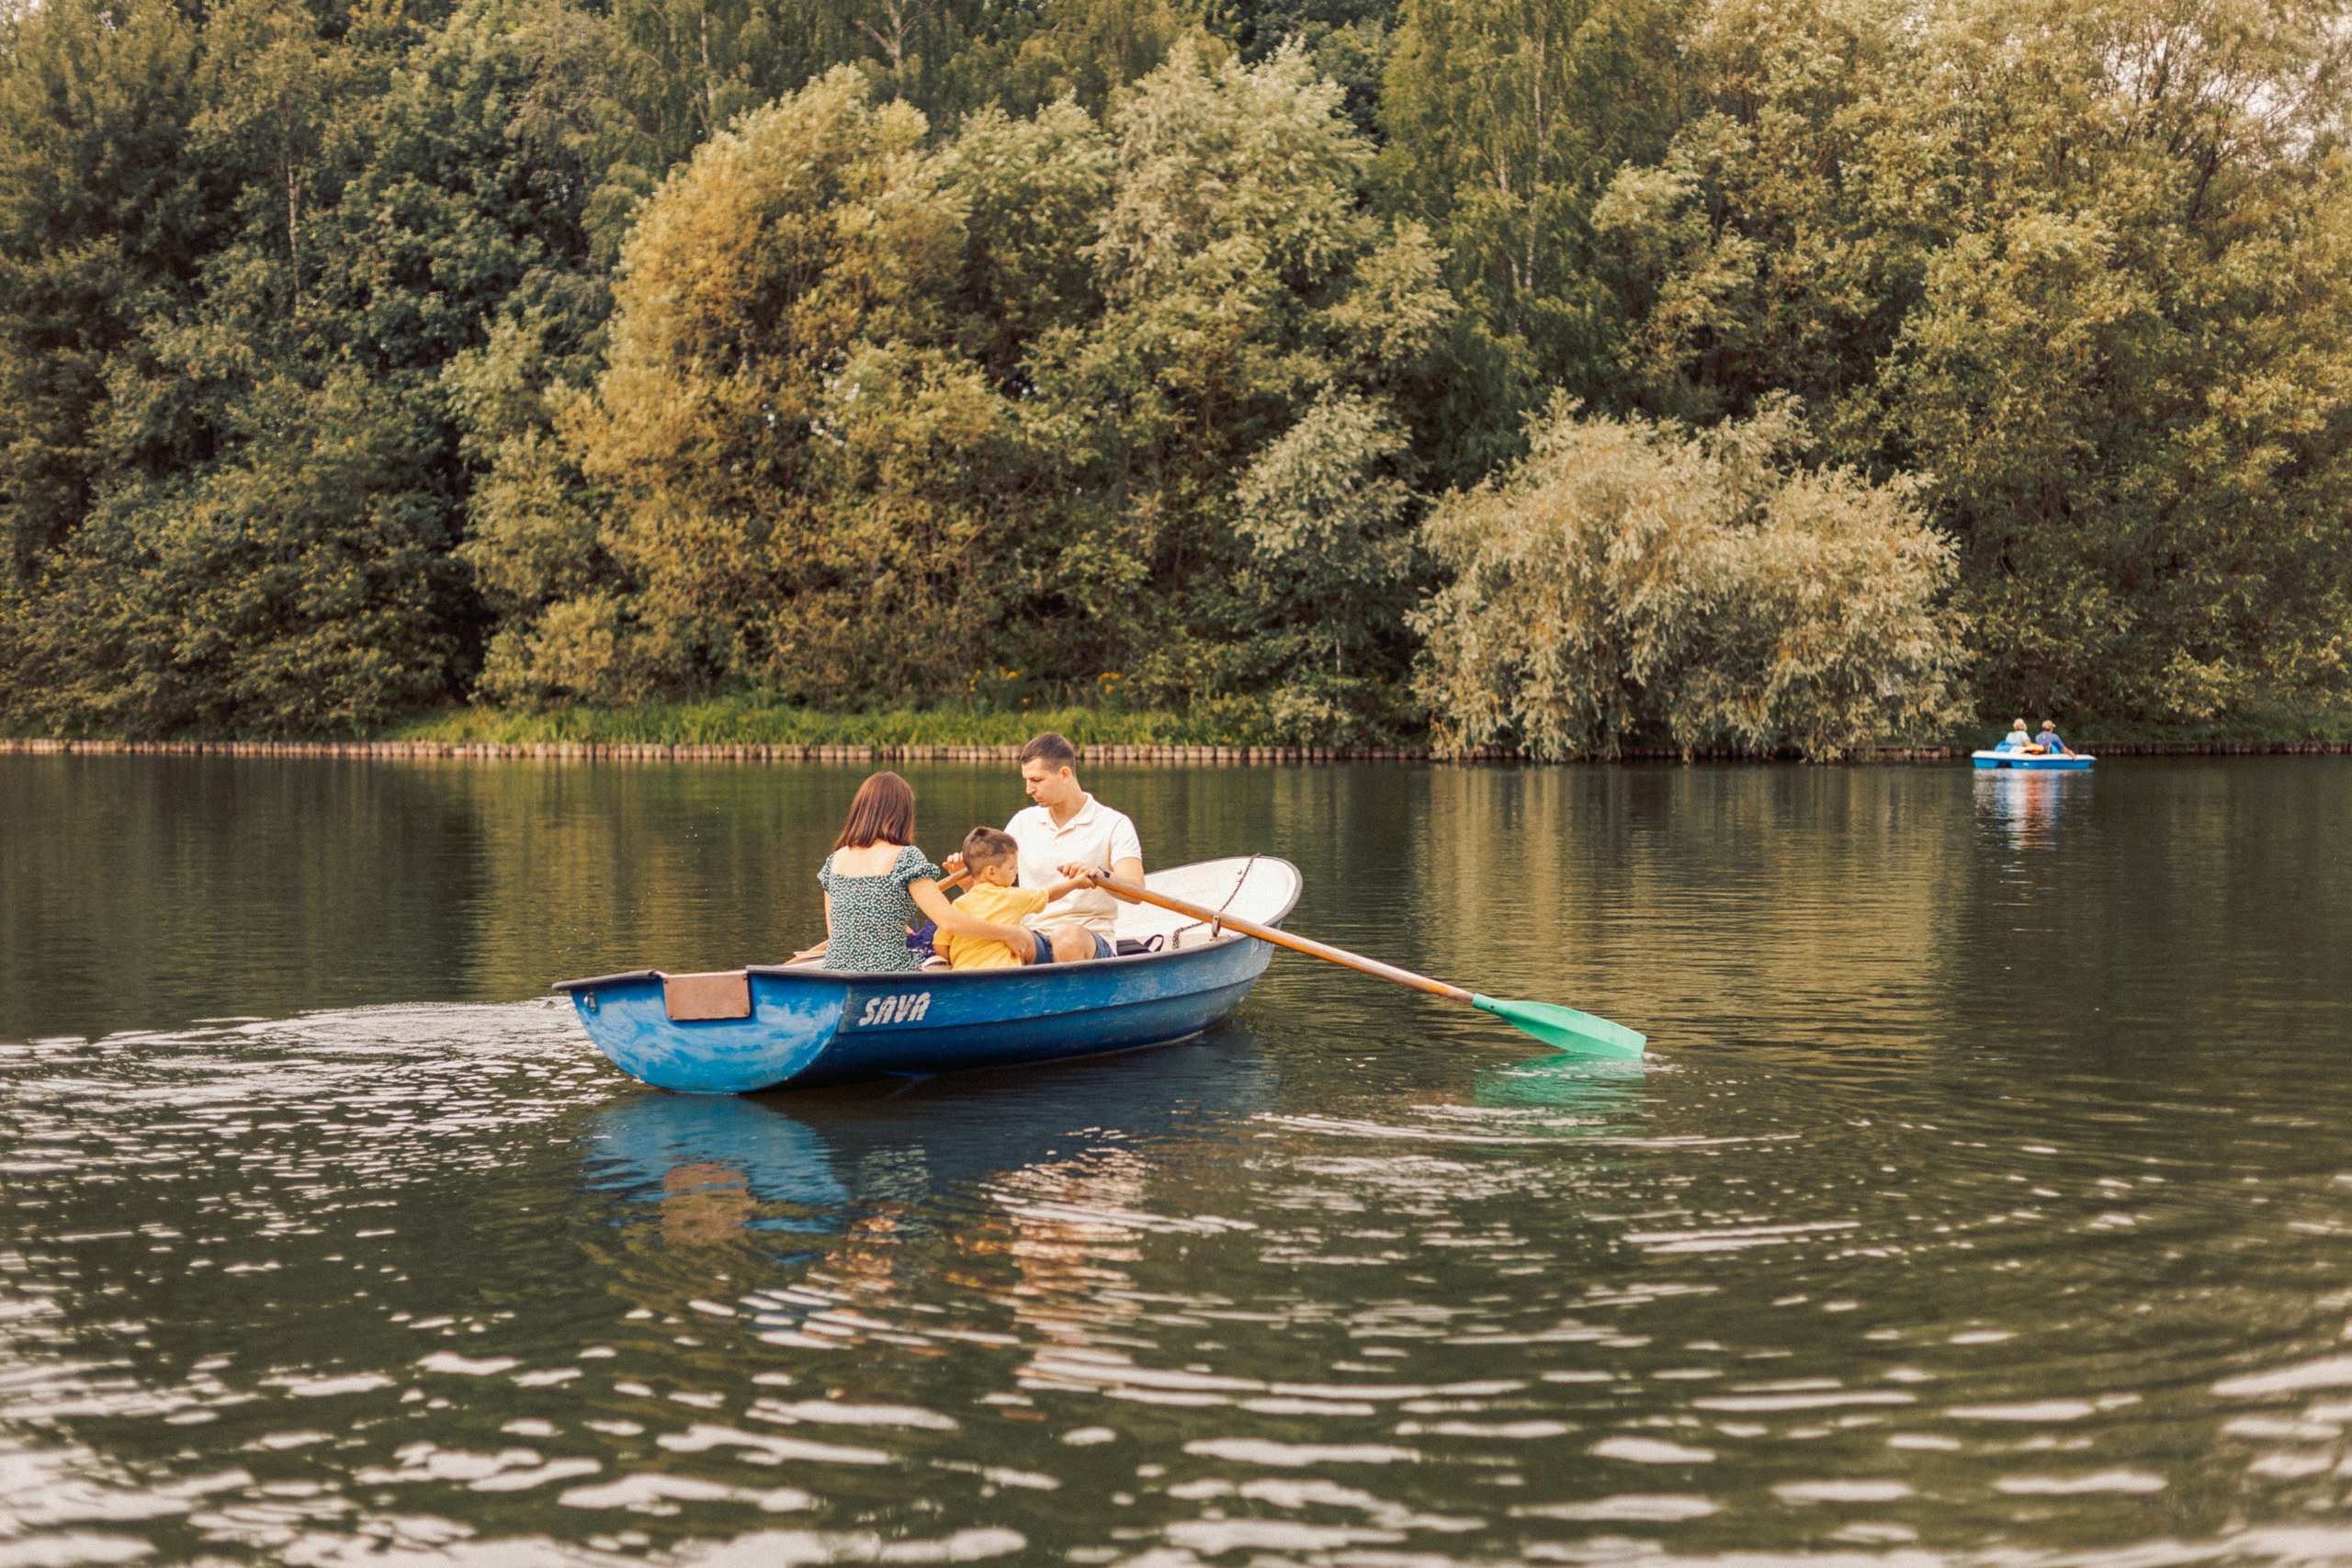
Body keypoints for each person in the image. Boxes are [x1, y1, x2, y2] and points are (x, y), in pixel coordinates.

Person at [800, 772, 1039, 972]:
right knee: (942, 948)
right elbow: (949, 922)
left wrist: (891, 926)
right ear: (902, 813)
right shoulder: (905, 857)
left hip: (836, 967)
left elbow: (837, 931)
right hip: (889, 969)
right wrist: (1007, 932)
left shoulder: (835, 859)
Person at [944, 731, 1145, 964]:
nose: (1029, 789)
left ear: (1064, 774)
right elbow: (994, 897)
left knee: (1065, 940)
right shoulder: (1022, 822)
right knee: (996, 938)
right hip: (1032, 937)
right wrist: (969, 883)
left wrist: (1101, 874)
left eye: (1037, 780)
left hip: (1087, 938)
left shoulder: (1114, 824)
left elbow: (1137, 891)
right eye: (1026, 780)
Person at [934, 828, 1090, 970]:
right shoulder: (1012, 897)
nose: (1016, 871)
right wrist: (1076, 883)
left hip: (963, 974)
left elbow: (940, 945)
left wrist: (960, 958)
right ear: (991, 872)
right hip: (1003, 973)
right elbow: (1050, 894)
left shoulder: (958, 905)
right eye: (1012, 867)